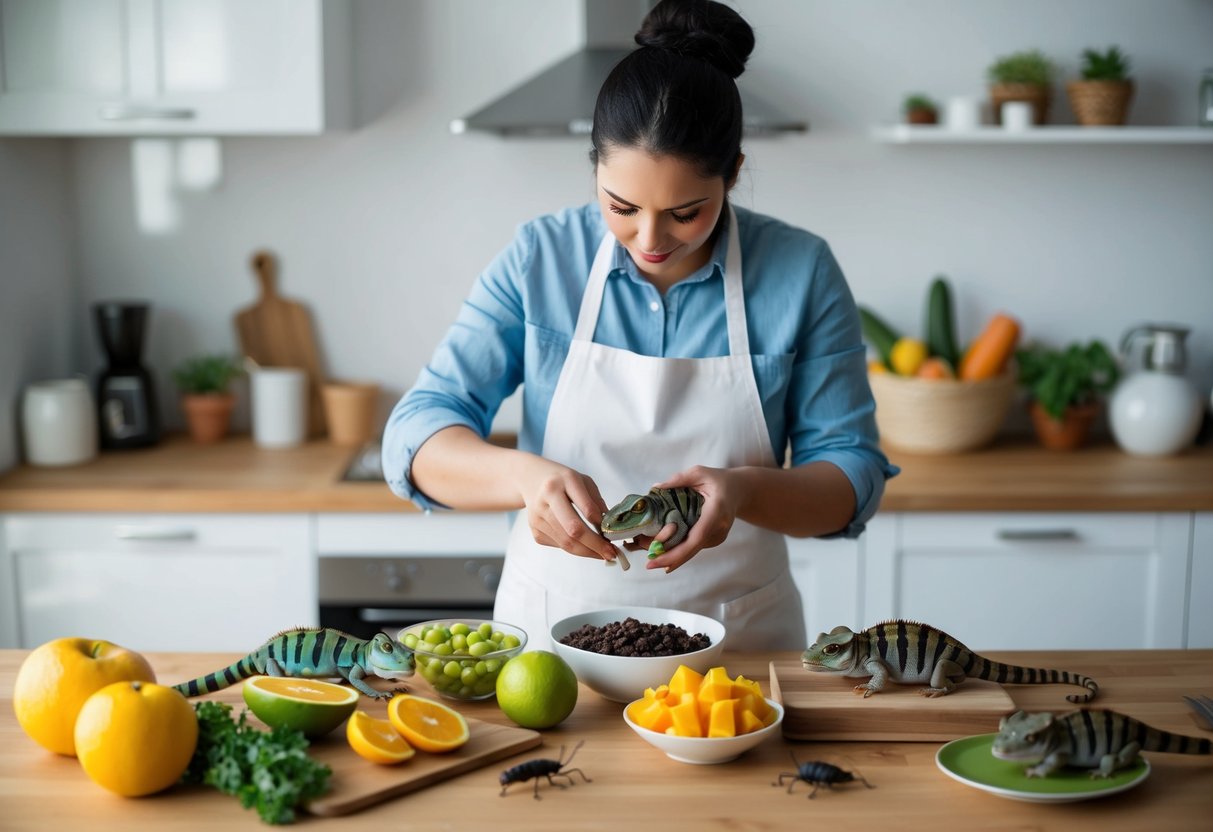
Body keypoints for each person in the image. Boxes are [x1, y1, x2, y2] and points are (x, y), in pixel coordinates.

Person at [383, 0, 897, 651]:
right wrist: (522, 478)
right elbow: (416, 432)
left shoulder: (799, 271)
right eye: (620, 206)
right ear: (593, 167)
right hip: (553, 641)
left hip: (737, 643)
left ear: (733, 173)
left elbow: (851, 478)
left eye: (686, 213)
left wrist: (743, 492)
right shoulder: (541, 259)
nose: (649, 239)